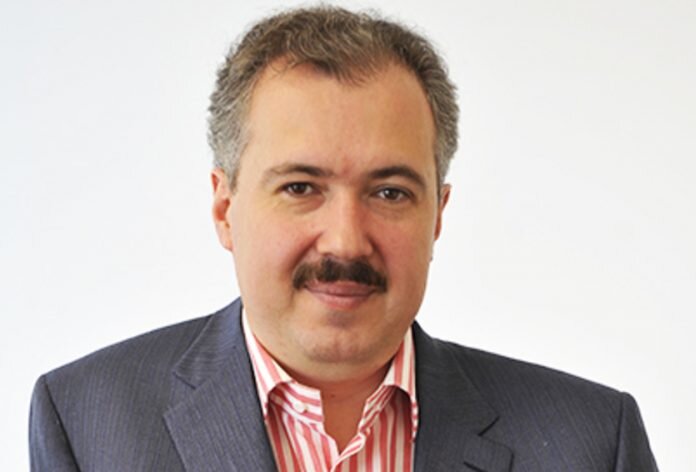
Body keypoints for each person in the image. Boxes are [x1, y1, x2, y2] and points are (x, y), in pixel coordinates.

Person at [29, 6, 658, 471]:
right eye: (301, 187)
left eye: (390, 193)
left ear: (437, 215)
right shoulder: (88, 424)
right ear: (225, 208)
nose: (346, 242)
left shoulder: (591, 442)